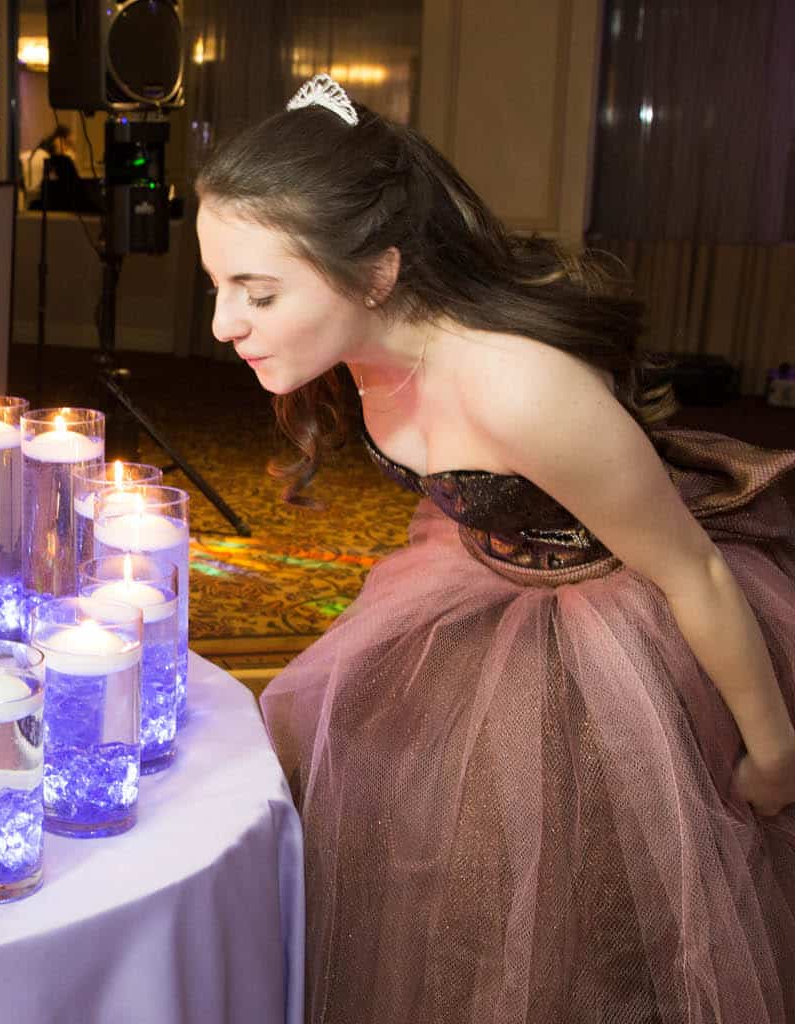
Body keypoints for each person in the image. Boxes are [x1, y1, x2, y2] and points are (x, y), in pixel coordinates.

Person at [194, 74, 795, 1023]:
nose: (225, 324)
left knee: (588, 908)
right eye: (220, 286)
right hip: (482, 575)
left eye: (256, 292)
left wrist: (772, 753)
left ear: (379, 273)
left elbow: (695, 571)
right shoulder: (363, 348)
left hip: (625, 615)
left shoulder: (521, 392)